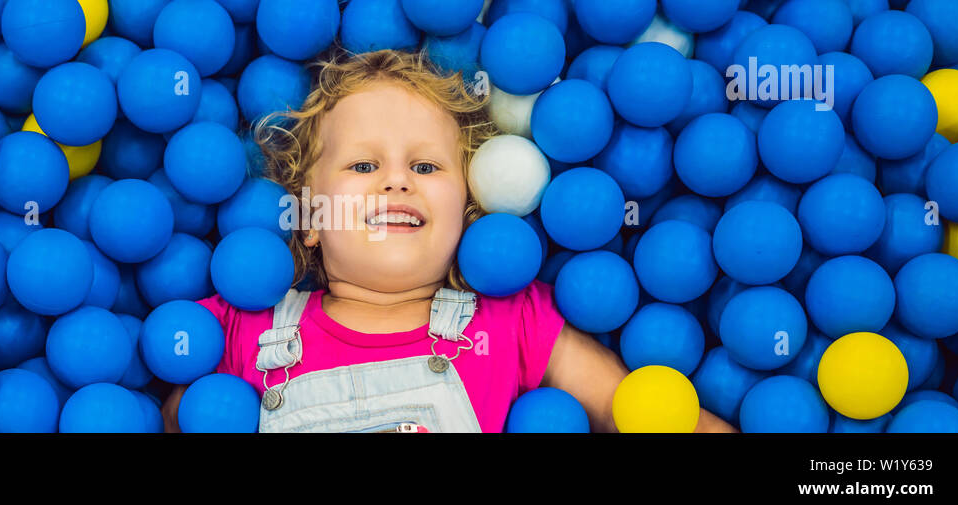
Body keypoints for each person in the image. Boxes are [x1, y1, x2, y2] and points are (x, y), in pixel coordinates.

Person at [163, 49, 736, 433]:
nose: (397, 179)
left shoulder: (512, 322)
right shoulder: (248, 328)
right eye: (363, 165)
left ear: (465, 214)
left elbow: (638, 412)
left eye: (427, 167)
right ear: (310, 217)